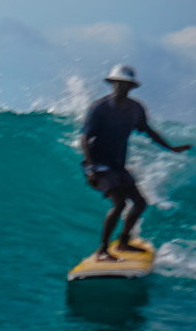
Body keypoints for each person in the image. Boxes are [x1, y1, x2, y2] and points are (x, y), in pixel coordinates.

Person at [80, 64, 189, 261]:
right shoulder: (100, 108)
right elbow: (85, 139)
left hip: (118, 165)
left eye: (125, 84)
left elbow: (148, 130)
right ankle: (103, 250)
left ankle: (123, 241)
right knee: (120, 203)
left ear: (131, 87)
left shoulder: (136, 108)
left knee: (140, 203)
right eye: (117, 83)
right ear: (112, 84)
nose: (120, 87)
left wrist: (171, 148)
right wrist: (91, 168)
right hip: (99, 164)